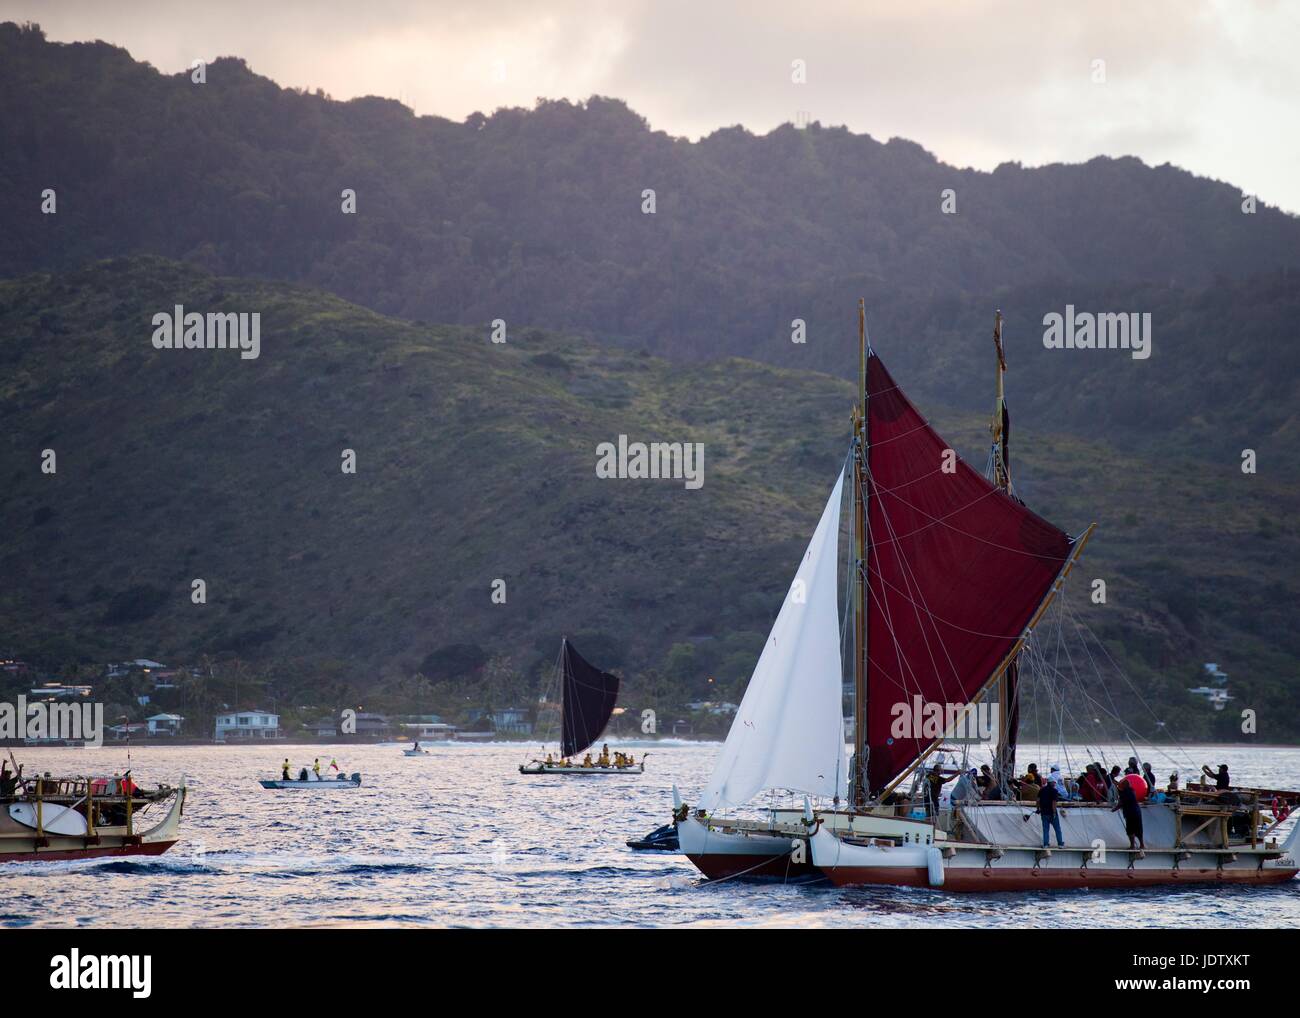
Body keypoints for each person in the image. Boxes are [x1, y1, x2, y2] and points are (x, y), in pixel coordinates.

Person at [1113, 774, 1145, 851]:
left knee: (1130, 829)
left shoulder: (1124, 793)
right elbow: (1121, 788)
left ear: (1124, 786)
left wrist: (1114, 809)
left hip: (1130, 813)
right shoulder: (1132, 791)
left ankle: (1132, 845)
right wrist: (1117, 784)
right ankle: (1142, 844)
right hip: (1137, 811)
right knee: (1138, 828)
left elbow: (1121, 803)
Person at [1037, 778, 1065, 849]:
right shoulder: (1054, 791)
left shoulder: (1042, 790)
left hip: (1044, 813)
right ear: (1051, 783)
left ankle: (1045, 844)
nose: (1055, 784)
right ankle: (1060, 844)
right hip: (1052, 813)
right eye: (1054, 782)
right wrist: (1054, 812)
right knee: (1057, 829)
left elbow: (1038, 800)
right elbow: (1054, 802)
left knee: (1046, 829)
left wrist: (1038, 809)